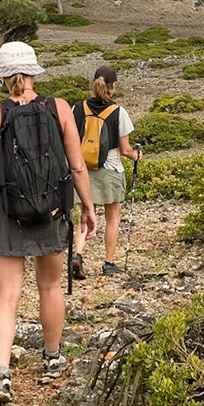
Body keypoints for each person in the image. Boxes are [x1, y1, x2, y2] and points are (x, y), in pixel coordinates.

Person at [0, 42, 96, 404]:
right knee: (49, 287)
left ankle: (1, 374)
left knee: (5, 296)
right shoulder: (60, 107)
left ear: (2, 75)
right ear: (33, 72)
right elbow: (77, 166)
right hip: (52, 209)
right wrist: (89, 209)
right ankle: (52, 357)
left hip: (6, 211)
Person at [71, 65, 140, 277]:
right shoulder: (119, 112)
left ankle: (77, 255)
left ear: (94, 84)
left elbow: (71, 140)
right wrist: (136, 156)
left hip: (83, 169)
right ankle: (108, 263)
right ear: (113, 87)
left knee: (85, 213)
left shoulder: (78, 108)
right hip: (110, 169)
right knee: (112, 216)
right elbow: (125, 149)